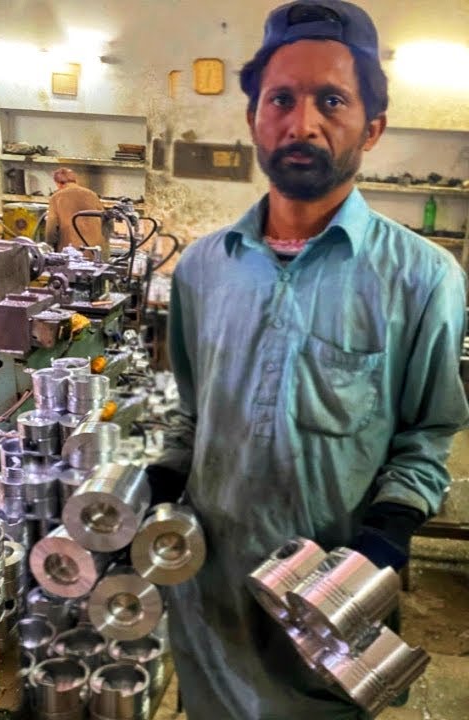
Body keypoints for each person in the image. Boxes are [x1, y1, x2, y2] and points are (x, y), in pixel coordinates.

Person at [149, 2, 469, 718]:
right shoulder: (203, 269)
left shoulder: (423, 279)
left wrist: (386, 537)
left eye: (331, 100)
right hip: (209, 600)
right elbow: (192, 413)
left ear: (372, 127)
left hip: (329, 604)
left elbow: (427, 435)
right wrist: (156, 486)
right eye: (281, 100)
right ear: (253, 119)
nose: (302, 123)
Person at [42, 167, 107, 256]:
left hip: (72, 252)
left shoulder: (56, 197)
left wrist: (49, 246)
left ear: (58, 184)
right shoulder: (92, 194)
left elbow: (51, 228)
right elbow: (106, 221)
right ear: (75, 180)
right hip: (95, 250)